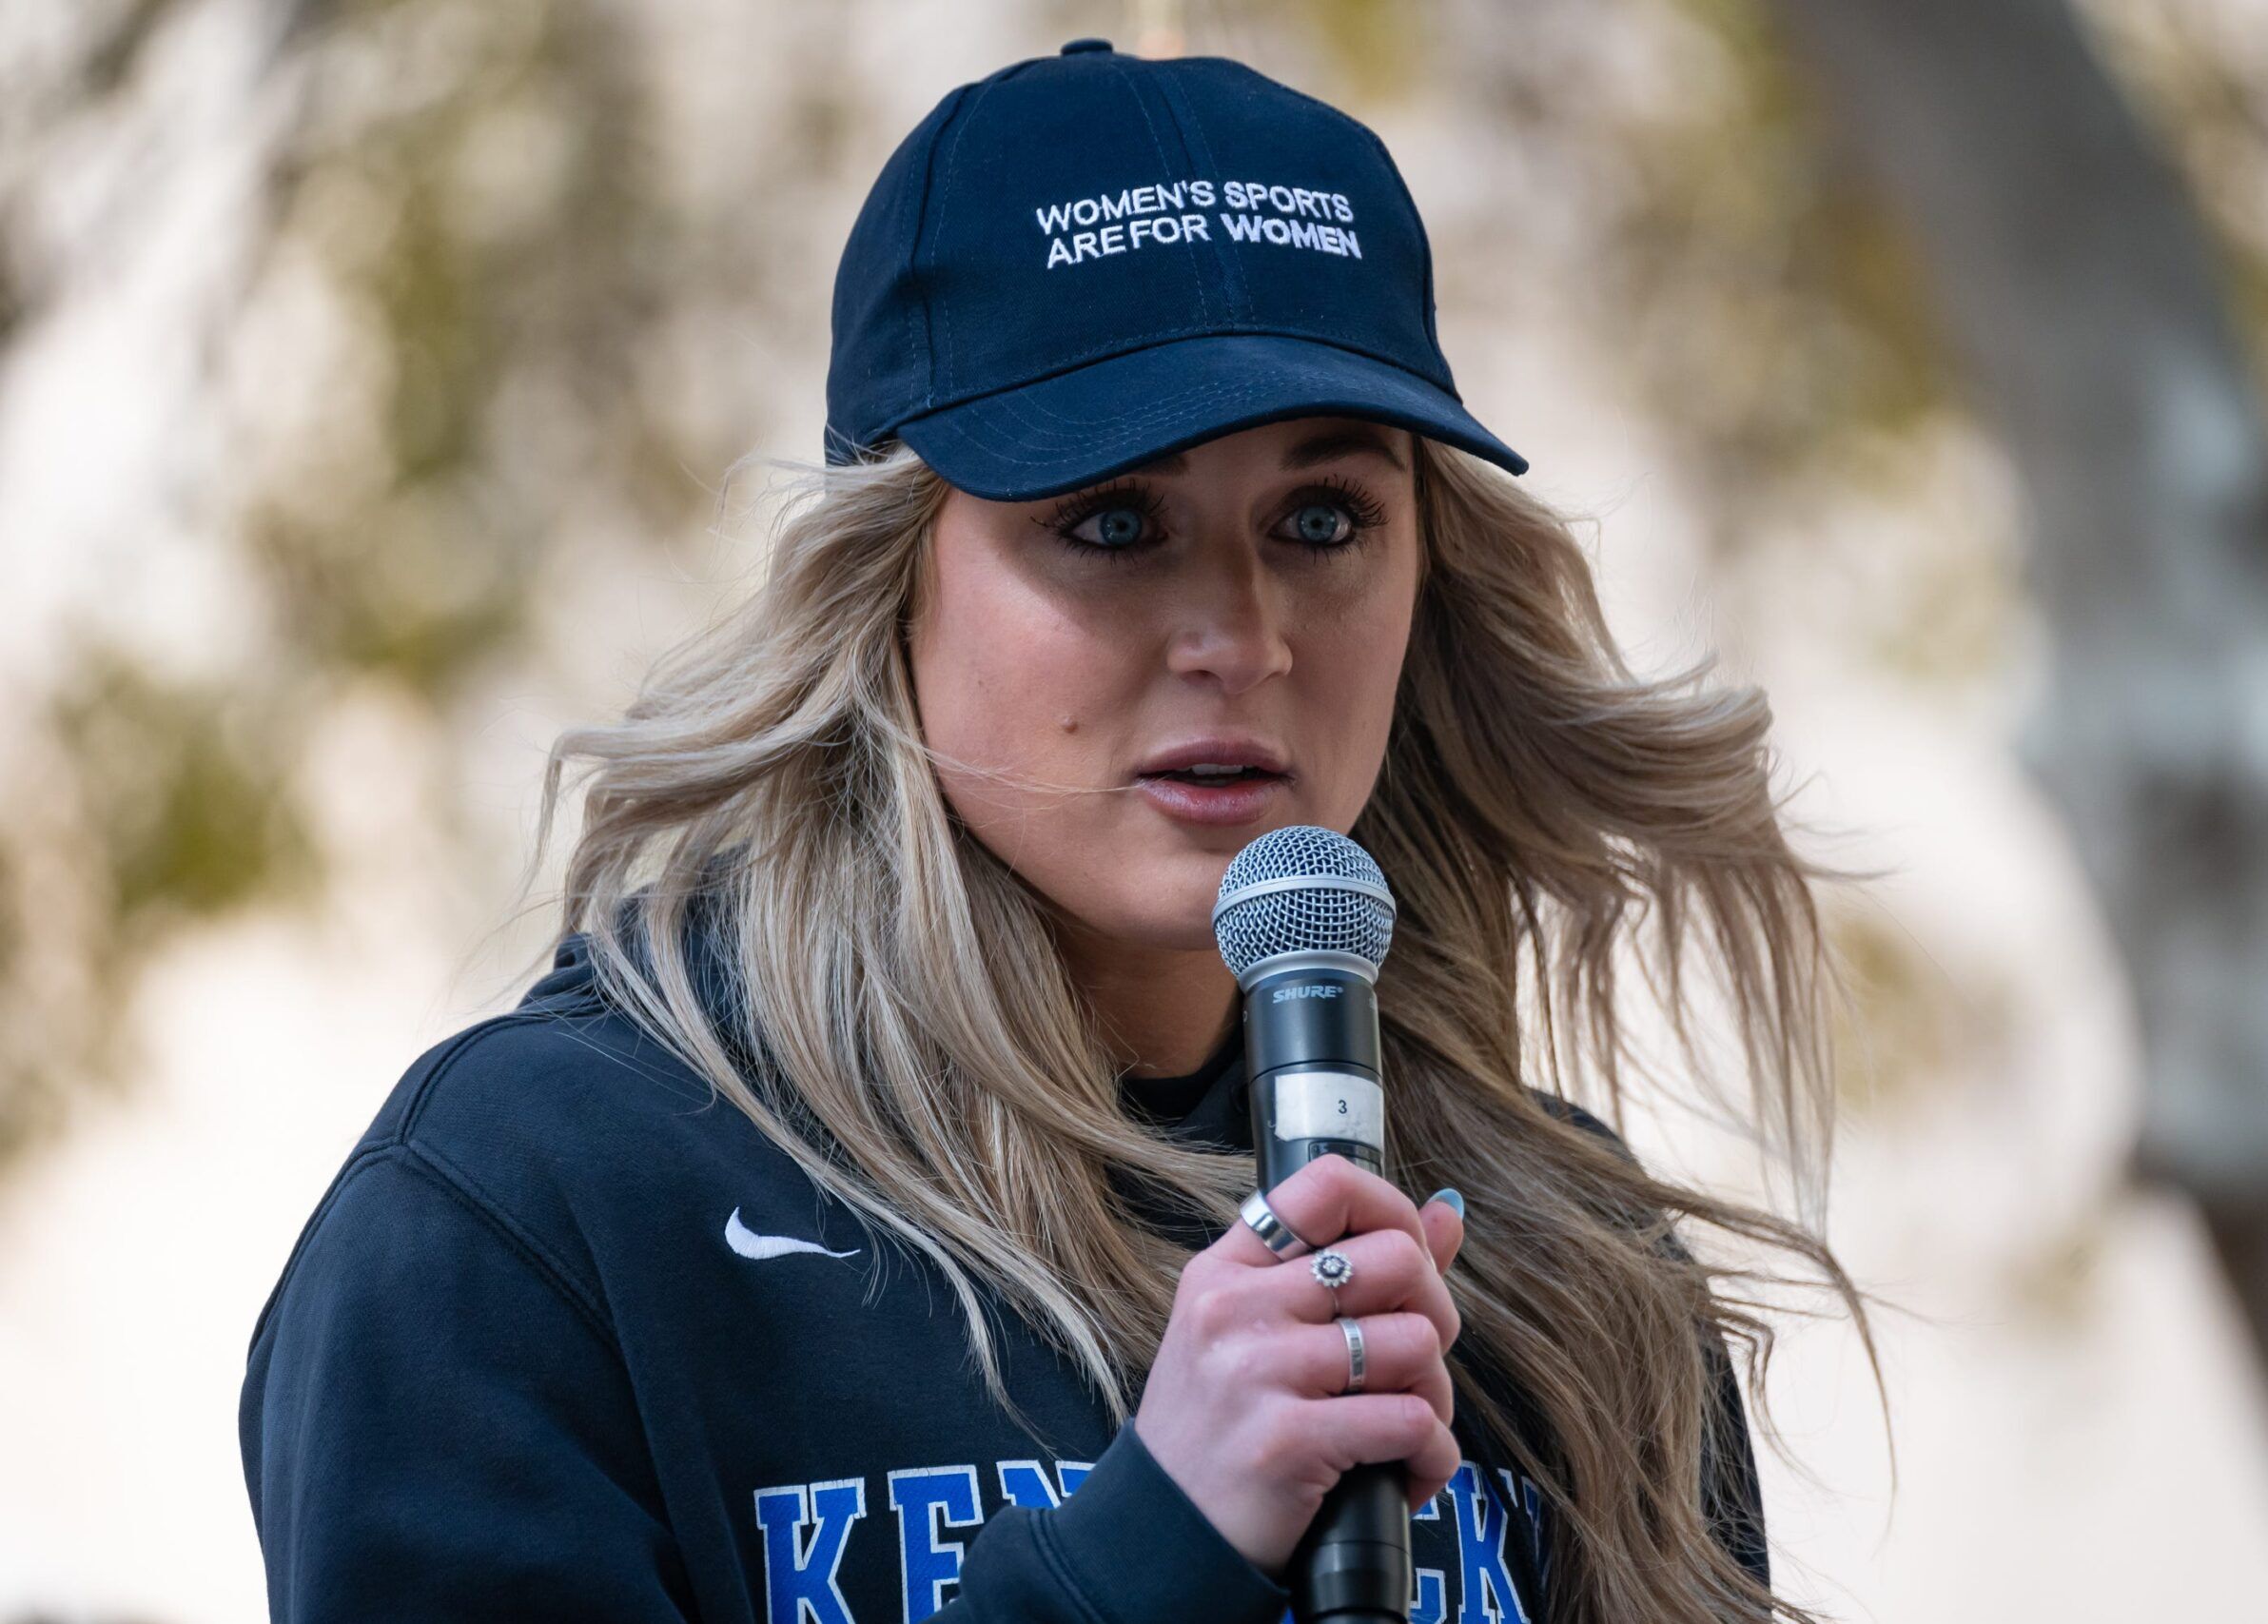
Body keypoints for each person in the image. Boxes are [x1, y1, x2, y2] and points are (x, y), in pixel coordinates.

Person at [239, 36, 1875, 1624]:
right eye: (1110, 521)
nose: (1242, 635)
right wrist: (1144, 1552)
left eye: (1323, 520)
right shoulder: (536, 1215)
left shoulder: (1568, 1259)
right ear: (885, 584)